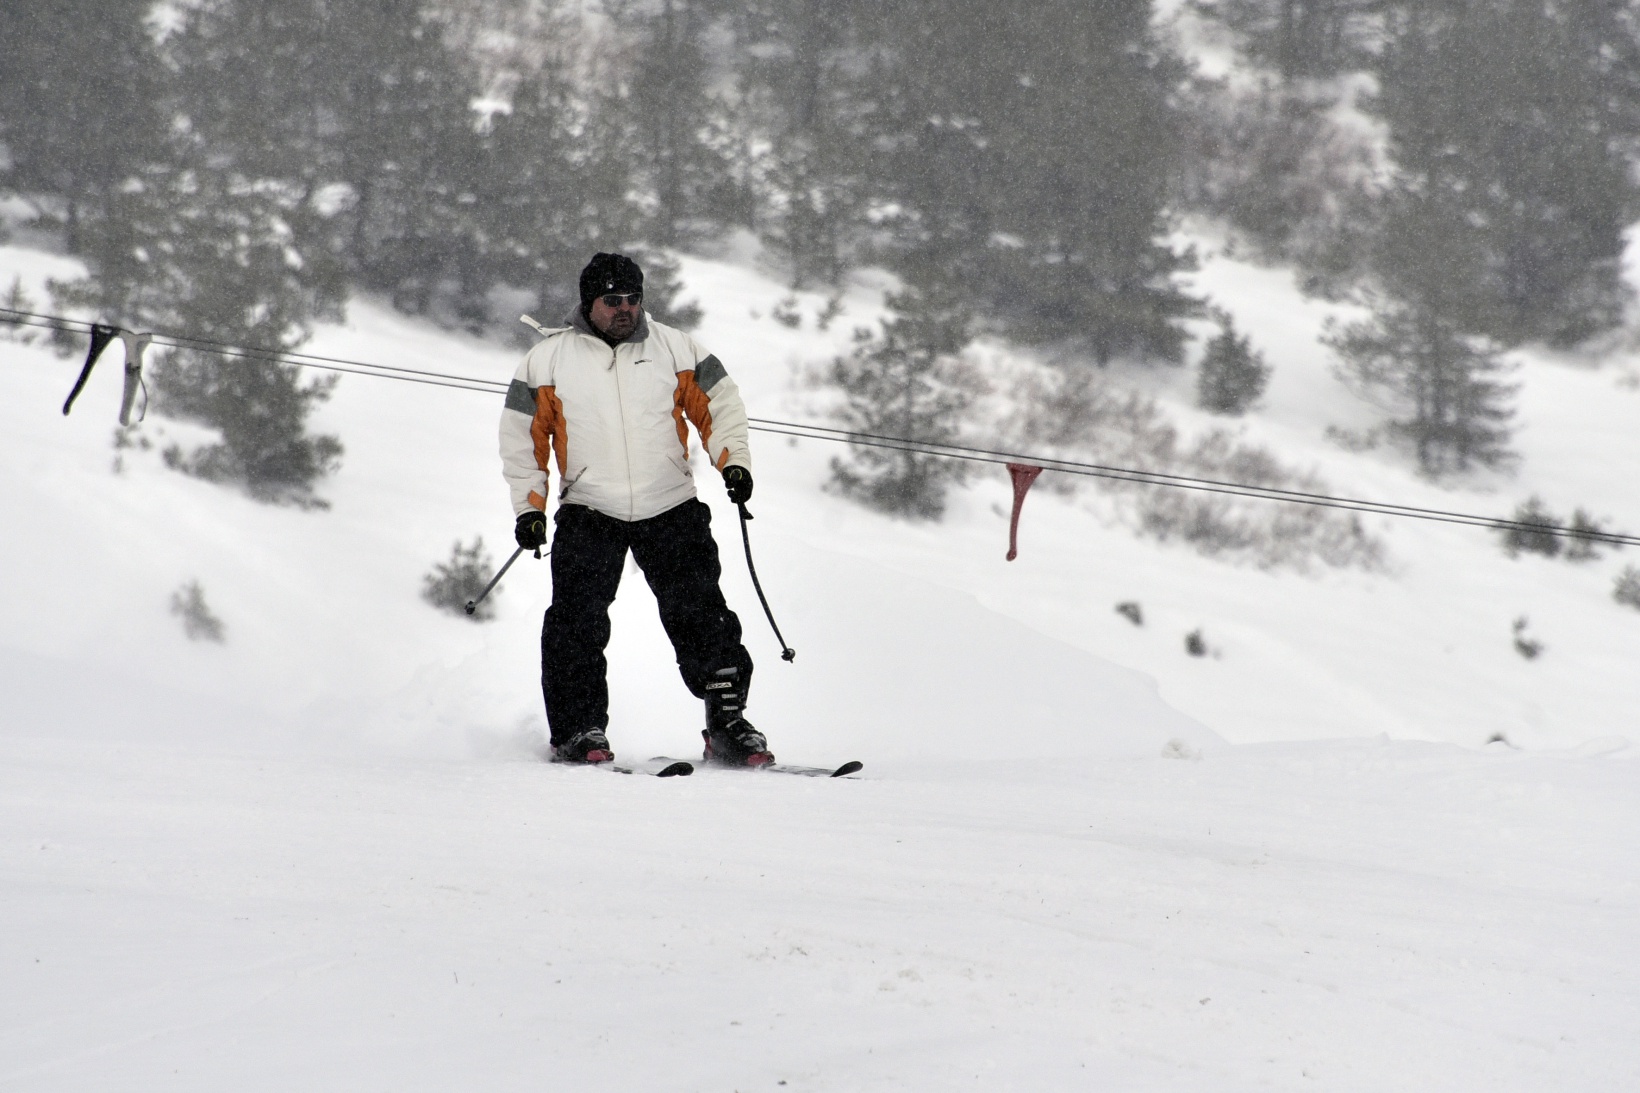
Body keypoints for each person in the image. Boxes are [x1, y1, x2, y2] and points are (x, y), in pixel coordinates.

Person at [499, 252, 770, 767]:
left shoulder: (676, 348)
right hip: (589, 509)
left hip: (669, 504)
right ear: (589, 302)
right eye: (612, 300)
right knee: (576, 623)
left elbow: (720, 405)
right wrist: (528, 507)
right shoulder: (547, 360)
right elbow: (522, 439)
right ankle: (579, 730)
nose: (625, 309)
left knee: (703, 616)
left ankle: (728, 724)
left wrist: (732, 462)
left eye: (633, 299)